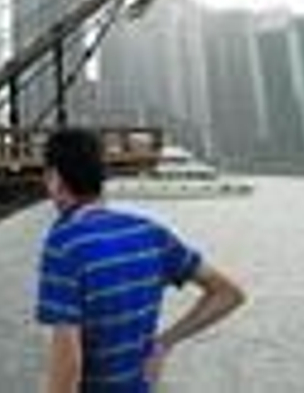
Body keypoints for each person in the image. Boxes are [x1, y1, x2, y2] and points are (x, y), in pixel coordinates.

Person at [36, 128, 245, 392]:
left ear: (54, 178)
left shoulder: (64, 243)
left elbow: (69, 363)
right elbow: (229, 294)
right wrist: (164, 343)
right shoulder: (149, 232)